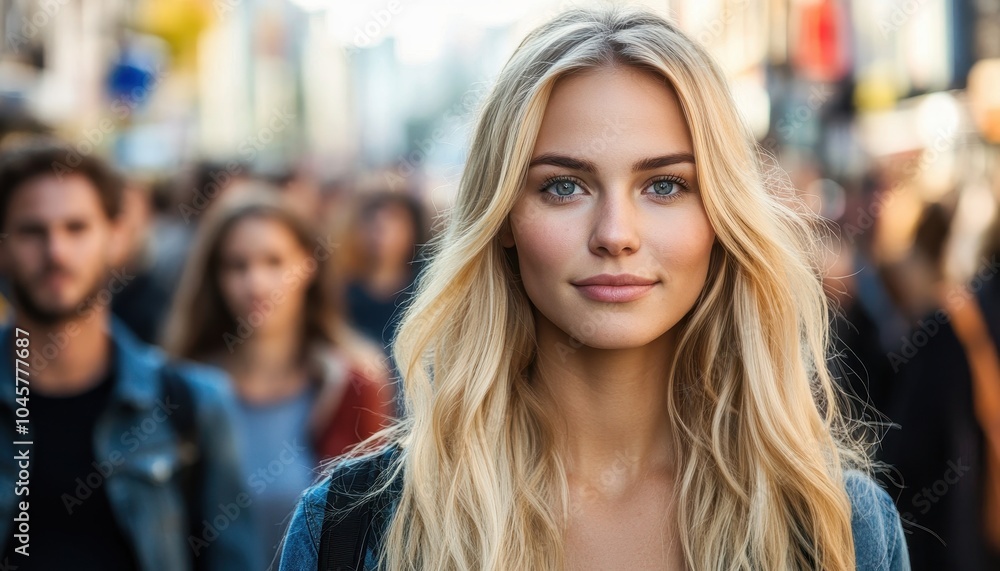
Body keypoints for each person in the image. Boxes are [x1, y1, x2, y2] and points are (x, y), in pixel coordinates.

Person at [280, 7, 908, 571]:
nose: (616, 235)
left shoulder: (841, 528)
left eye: (664, 185)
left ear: (721, 217)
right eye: (564, 186)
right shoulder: (351, 527)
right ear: (502, 221)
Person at [0, 138, 259, 570]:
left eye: (76, 228)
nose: (56, 252)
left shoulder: (192, 404)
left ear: (116, 238)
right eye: (32, 231)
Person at [163, 185, 395, 567]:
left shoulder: (355, 383)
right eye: (237, 265)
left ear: (308, 266)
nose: (256, 283)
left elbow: (377, 528)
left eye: (274, 262)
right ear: (215, 276)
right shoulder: (180, 385)